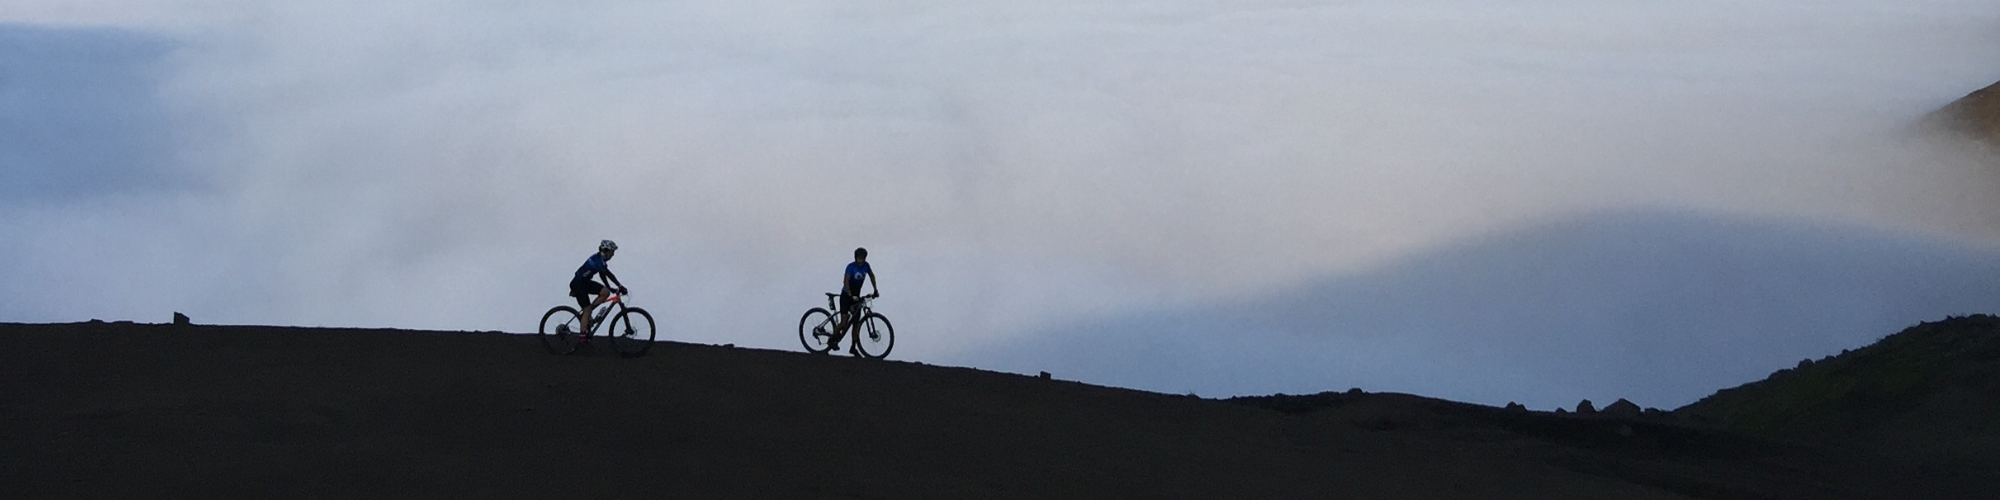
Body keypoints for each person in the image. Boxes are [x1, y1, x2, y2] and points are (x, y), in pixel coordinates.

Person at [570, 239, 628, 342]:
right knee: (587, 310)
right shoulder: (598, 260)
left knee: (605, 292)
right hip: (578, 284)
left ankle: (587, 314)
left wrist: (609, 287)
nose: (613, 255)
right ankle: (583, 336)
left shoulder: (601, 259)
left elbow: (602, 275)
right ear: (606, 250)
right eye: (612, 252)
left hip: (585, 282)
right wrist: (620, 285)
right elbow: (608, 274)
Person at [827, 247, 878, 352]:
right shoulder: (851, 267)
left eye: (862, 258)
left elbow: (872, 276)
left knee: (856, 324)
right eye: (859, 258)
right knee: (844, 322)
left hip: (856, 297)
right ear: (855, 258)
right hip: (846, 296)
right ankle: (831, 340)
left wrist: (875, 290)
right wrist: (850, 294)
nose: (860, 261)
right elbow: (846, 281)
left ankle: (853, 348)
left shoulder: (866, 266)